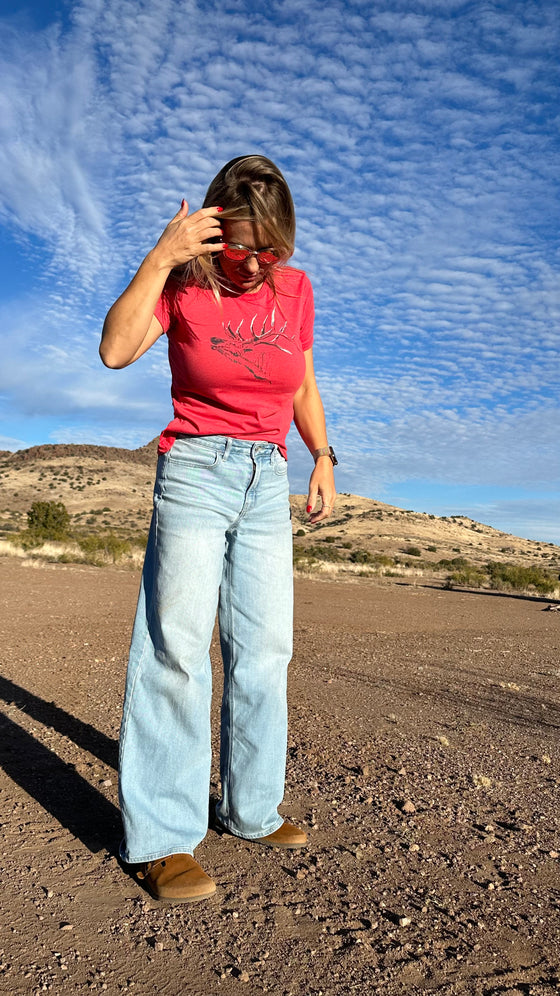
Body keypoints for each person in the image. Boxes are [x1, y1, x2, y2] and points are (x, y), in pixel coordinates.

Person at [100, 155, 337, 903]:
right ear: (211, 231)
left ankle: (250, 808)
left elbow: (300, 378)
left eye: (272, 250)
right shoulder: (182, 281)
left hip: (267, 476)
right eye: (242, 247)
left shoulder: (294, 290)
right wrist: (161, 257)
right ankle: (162, 839)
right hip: (197, 469)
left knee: (265, 647)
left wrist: (321, 456)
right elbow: (114, 351)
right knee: (176, 648)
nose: (257, 264)